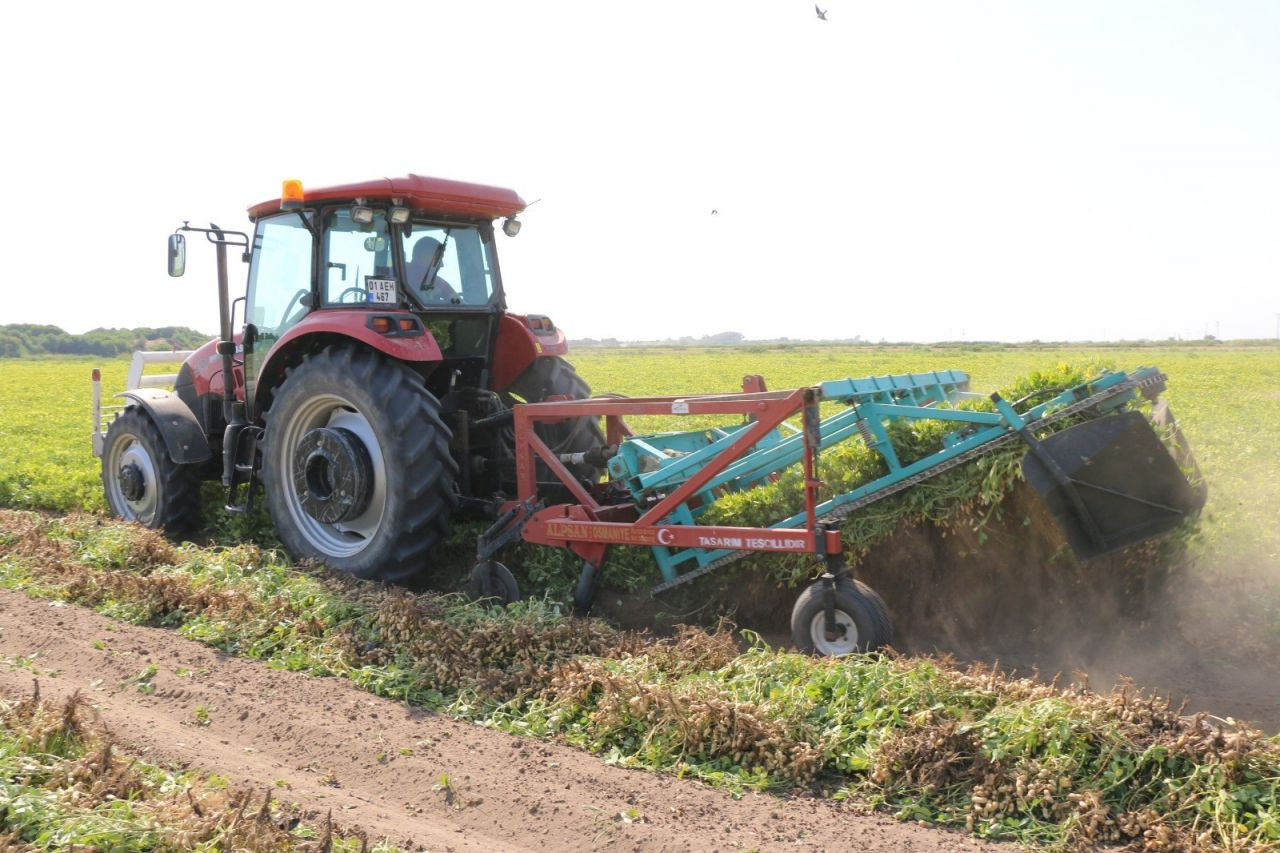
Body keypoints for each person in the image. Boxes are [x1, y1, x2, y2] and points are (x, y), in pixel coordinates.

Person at [405, 236, 459, 304]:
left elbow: (460, 304)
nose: (442, 265)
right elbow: (463, 307)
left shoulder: (394, 273)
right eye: (438, 259)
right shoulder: (438, 283)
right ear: (423, 257)